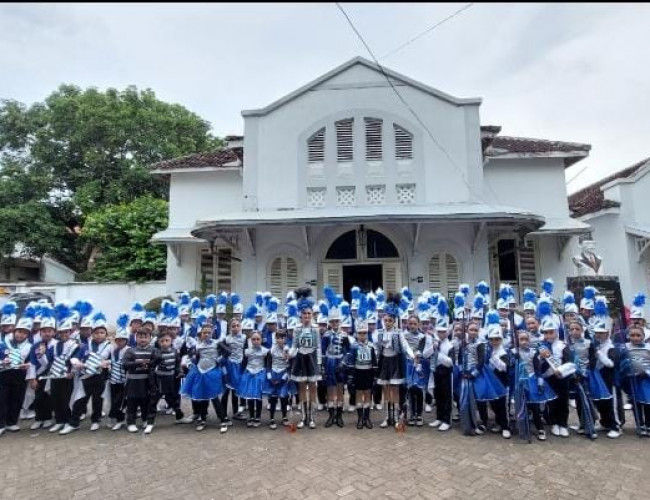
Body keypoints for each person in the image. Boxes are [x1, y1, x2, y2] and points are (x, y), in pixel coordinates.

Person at [60, 312, 111, 435]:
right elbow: (75, 357)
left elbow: (113, 360)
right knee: (80, 400)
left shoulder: (109, 346)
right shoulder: (84, 346)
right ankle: (74, 423)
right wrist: (76, 362)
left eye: (101, 333)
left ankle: (96, 420)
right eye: (96, 333)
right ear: (92, 334)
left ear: (106, 334)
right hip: (85, 377)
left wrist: (106, 362)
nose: (99, 335)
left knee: (97, 400)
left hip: (100, 377)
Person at [181, 319, 228, 433]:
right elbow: (192, 357)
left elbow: (228, 351)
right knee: (201, 397)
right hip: (200, 372)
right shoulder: (197, 345)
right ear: (200, 334)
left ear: (212, 333)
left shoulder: (217, 343)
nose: (206, 334)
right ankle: (202, 419)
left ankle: (223, 420)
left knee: (214, 397)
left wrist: (219, 360)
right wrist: (193, 358)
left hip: (212, 372)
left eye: (209, 332)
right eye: (204, 332)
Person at [376, 293, 415, 429]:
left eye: (390, 321)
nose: (387, 323)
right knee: (386, 390)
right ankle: (388, 417)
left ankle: (399, 417)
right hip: (384, 362)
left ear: (394, 321)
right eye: (385, 320)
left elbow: (405, 346)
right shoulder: (379, 333)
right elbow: (377, 349)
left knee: (396, 390)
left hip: (395, 363)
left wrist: (413, 355)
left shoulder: (399, 333)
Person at [512, 330, 556, 441]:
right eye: (521, 339)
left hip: (531, 380)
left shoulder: (533, 352)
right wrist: (513, 359)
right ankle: (522, 427)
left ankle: (540, 428)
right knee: (521, 406)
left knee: (535, 407)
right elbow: (509, 368)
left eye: (526, 339)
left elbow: (537, 369)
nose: (524, 342)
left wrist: (540, 381)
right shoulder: (513, 352)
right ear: (517, 340)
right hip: (519, 382)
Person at [289, 287, 321, 429]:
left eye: (309, 314)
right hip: (300, 360)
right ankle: (302, 417)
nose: (306, 316)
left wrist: (319, 363)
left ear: (312, 314)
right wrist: (289, 353)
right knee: (302, 388)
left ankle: (311, 417)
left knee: (313, 388)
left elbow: (318, 347)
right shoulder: (297, 329)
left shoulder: (315, 329)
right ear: (300, 315)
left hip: (312, 359)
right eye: (304, 314)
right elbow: (295, 345)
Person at [538, 316, 575, 438]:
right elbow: (536, 364)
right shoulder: (541, 347)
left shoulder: (563, 345)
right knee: (552, 402)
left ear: (556, 332)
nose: (549, 335)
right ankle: (554, 423)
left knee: (563, 401)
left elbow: (569, 362)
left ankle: (563, 424)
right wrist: (541, 358)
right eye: (546, 332)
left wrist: (561, 371)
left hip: (562, 378)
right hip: (548, 378)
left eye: (551, 332)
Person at [0, 312, 33, 435]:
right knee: (2, 399)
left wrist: (28, 365)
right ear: (14, 331)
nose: (21, 334)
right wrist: (2, 362)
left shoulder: (30, 346)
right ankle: (1, 424)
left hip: (20, 375)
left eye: (24, 333)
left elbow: (32, 361)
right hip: (3, 374)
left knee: (17, 398)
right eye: (19, 331)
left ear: (27, 335)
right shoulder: (3, 343)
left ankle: (11, 422)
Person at [145, 329, 184, 434]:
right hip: (159, 380)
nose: (164, 343)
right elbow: (152, 368)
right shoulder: (156, 352)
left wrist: (179, 372)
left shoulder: (175, 351)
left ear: (171, 341)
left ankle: (179, 416)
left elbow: (177, 364)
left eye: (167, 340)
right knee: (153, 401)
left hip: (171, 379)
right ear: (158, 342)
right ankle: (149, 423)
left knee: (172, 400)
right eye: (162, 341)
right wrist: (152, 382)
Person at [343, 314, 377, 429]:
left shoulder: (371, 346)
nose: (362, 336)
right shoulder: (353, 346)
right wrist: (350, 376)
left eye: (364, 333)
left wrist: (375, 376)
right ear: (357, 334)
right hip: (358, 373)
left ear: (367, 334)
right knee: (358, 395)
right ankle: (360, 418)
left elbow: (374, 362)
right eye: (360, 333)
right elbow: (350, 361)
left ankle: (367, 418)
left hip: (368, 373)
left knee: (367, 394)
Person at [26, 305, 57, 430]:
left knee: (48, 397)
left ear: (54, 332)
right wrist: (32, 378)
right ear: (40, 332)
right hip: (39, 375)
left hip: (51, 374)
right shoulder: (35, 346)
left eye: (49, 331)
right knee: (38, 397)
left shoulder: (57, 345)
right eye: (44, 331)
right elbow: (32, 362)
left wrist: (44, 355)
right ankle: (39, 418)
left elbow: (54, 361)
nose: (47, 333)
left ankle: (48, 418)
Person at [321, 298, 351, 429]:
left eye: (336, 321)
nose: (334, 323)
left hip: (340, 362)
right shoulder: (326, 335)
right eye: (332, 321)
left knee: (340, 388)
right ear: (329, 322)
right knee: (330, 389)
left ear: (340, 322)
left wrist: (344, 362)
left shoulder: (344, 335)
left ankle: (339, 415)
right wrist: (322, 366)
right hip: (329, 362)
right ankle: (331, 415)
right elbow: (322, 352)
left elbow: (348, 351)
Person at [121, 327, 155, 433]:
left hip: (146, 382)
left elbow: (157, 361)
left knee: (145, 402)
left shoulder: (153, 350)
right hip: (132, 382)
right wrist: (138, 363)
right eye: (140, 337)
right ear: (136, 338)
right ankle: (130, 422)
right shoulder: (130, 351)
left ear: (150, 338)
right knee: (132, 403)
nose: (143, 339)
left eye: (145, 337)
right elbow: (125, 365)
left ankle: (145, 420)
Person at [424, 314, 455, 432]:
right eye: (439, 332)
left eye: (443, 332)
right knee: (438, 397)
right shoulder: (434, 343)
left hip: (446, 375)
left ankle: (447, 420)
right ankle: (439, 417)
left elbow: (451, 362)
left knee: (447, 397)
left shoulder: (450, 346)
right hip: (436, 373)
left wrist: (439, 354)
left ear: (447, 332)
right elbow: (425, 355)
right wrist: (433, 348)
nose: (441, 334)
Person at [619, 324, 650, 436]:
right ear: (628, 336)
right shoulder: (625, 347)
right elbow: (621, 363)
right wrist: (625, 367)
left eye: (638, 335)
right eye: (632, 335)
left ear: (643, 336)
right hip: (632, 380)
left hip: (646, 380)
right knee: (635, 402)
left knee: (647, 403)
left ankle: (648, 424)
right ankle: (639, 424)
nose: (635, 338)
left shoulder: (648, 347)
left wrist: (646, 372)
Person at [238, 331, 270, 428]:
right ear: (250, 340)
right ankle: (251, 416)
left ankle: (258, 417)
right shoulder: (247, 351)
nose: (256, 341)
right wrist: (242, 375)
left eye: (258, 339)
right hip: (249, 374)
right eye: (253, 339)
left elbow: (268, 364)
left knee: (258, 397)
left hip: (260, 374)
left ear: (261, 340)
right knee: (250, 397)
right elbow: (243, 363)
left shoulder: (265, 351)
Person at [264, 329, 294, 429]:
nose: (280, 340)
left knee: (284, 397)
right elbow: (268, 363)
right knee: (273, 398)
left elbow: (290, 365)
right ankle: (272, 418)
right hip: (273, 374)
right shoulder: (271, 350)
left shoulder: (288, 350)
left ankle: (284, 417)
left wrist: (284, 377)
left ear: (285, 338)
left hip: (283, 375)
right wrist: (269, 375)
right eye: (278, 338)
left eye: (282, 337)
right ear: (275, 338)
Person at [219, 317, 247, 421]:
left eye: (237, 325)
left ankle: (236, 413)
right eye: (233, 326)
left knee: (235, 391)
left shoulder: (244, 337)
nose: (235, 327)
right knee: (226, 390)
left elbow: (246, 351)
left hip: (239, 366)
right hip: (229, 366)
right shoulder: (227, 338)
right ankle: (223, 414)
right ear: (230, 328)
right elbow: (220, 348)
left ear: (240, 327)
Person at [108, 313, 129, 431]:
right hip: (113, 381)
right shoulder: (113, 349)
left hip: (123, 381)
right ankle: (117, 419)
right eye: (118, 340)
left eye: (122, 340)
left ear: (126, 340)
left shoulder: (129, 351)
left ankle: (120, 419)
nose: (120, 342)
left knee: (120, 401)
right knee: (114, 400)